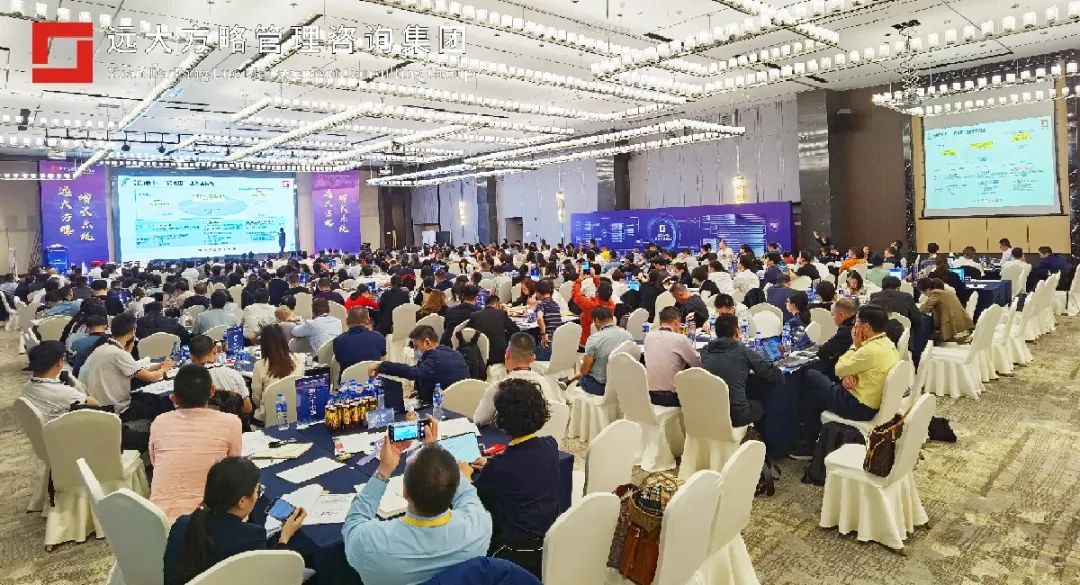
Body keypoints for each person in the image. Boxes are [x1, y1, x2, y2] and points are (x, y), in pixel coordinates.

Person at [342, 418, 492, 585]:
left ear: (405, 492)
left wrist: (384, 469)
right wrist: (433, 452)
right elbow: (466, 494)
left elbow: (353, 522)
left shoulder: (370, 543)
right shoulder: (480, 525)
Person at [164, 457, 307, 585]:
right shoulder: (251, 537)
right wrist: (284, 538)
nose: (257, 496)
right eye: (257, 491)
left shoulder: (182, 524)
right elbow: (271, 577)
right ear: (242, 501)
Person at [470, 378, 559, 578]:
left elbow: (472, 498)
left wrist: (465, 476)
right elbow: (523, 465)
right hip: (547, 543)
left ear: (501, 419)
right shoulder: (550, 445)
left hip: (513, 552)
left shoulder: (500, 467)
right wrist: (494, 463)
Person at [798, 304, 898, 453]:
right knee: (814, 395)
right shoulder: (888, 343)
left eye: (856, 321)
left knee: (811, 374)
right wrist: (848, 373)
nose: (854, 325)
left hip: (856, 406)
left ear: (866, 327)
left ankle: (807, 443)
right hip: (871, 400)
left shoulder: (868, 350)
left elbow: (839, 368)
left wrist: (855, 346)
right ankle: (812, 439)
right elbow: (852, 368)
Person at [149, 364, 242, 523]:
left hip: (157, 520)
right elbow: (233, 469)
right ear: (212, 391)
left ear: (173, 398)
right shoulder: (231, 422)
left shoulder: (159, 422)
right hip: (207, 521)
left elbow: (155, 461)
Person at [699, 314, 784, 430]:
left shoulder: (705, 351)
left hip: (711, 412)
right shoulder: (742, 350)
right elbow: (774, 374)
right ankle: (757, 437)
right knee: (763, 404)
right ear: (736, 332)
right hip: (737, 415)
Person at [85, 313, 174, 422]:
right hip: (117, 409)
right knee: (160, 403)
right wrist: (165, 369)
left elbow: (136, 371)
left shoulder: (102, 348)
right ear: (133, 330)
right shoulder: (119, 354)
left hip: (100, 406)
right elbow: (150, 377)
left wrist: (158, 367)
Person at [473, 333, 558, 426]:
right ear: (533, 357)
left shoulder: (498, 388)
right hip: (541, 433)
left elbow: (479, 420)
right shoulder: (545, 384)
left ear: (507, 355)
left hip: (507, 434)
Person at [373, 325, 470, 405]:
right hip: (463, 402)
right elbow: (442, 378)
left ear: (427, 343)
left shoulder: (434, 357)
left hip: (444, 407)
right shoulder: (453, 353)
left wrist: (382, 365)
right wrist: (419, 392)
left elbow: (413, 372)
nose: (415, 351)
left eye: (416, 346)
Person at [23, 341, 99, 422]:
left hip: (44, 424)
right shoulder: (63, 392)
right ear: (59, 362)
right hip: (63, 427)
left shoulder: (27, 386)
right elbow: (94, 402)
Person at [565, 306, 632, 396]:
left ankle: (569, 381)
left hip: (600, 387)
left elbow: (585, 370)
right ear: (612, 318)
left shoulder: (594, 339)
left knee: (584, 373)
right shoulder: (628, 336)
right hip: (622, 384)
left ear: (596, 320)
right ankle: (569, 379)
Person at [643, 306, 702, 407]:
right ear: (676, 322)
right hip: (672, 397)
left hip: (649, 396)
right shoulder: (680, 339)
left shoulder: (648, 337)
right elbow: (698, 364)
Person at [250, 324, 304, 423]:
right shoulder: (299, 360)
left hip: (270, 415)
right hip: (296, 411)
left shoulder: (260, 365)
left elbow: (256, 398)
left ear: (263, 343)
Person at [188, 335, 252, 416]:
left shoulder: (187, 380)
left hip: (201, 422)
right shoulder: (234, 374)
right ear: (214, 350)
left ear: (191, 356)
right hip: (232, 422)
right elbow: (248, 408)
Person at [467, 295, 520, 366]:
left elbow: (468, 332)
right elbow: (515, 330)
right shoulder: (501, 313)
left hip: (480, 354)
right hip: (499, 355)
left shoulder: (475, 315)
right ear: (497, 304)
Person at [917, 277, 974, 342]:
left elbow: (923, 309)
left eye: (922, 292)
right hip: (964, 327)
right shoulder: (947, 292)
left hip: (956, 333)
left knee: (926, 337)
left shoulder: (935, 294)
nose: (924, 295)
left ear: (927, 290)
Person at [333, 307, 386, 373]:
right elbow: (382, 362)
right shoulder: (379, 337)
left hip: (348, 379)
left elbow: (339, 361)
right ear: (368, 320)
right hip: (372, 377)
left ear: (347, 320)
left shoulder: (338, 341)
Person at [816, 297, 857, 380]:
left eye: (833, 315)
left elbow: (824, 352)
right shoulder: (857, 323)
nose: (833, 318)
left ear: (841, 315)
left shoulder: (846, 331)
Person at [571, 272, 615, 347]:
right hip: (604, 342)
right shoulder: (611, 304)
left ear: (597, 293)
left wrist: (579, 280)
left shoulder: (590, 304)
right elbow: (603, 290)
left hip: (586, 343)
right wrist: (594, 277)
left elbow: (576, 295)